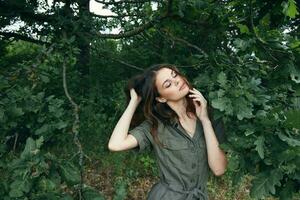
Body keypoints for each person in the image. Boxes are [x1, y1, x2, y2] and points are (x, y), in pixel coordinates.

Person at [108, 63, 228, 200]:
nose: (176, 81)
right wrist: (134, 102)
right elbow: (115, 145)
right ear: (161, 98)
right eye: (168, 84)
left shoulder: (211, 116)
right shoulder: (155, 126)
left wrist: (205, 120)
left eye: (175, 75)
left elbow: (219, 169)